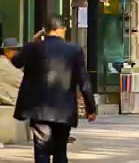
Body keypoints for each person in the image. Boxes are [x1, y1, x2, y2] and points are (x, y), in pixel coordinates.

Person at [11, 15, 96, 162]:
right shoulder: (74, 50)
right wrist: (91, 108)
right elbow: (84, 81)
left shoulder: (32, 48)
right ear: (61, 30)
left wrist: (32, 41)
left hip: (39, 109)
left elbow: (16, 62)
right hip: (64, 110)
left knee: (41, 150)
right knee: (60, 150)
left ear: (45, 31)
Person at [0, 38, 23, 106]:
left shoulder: (11, 63)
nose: (15, 52)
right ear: (5, 50)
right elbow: (20, 80)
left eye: (16, 50)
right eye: (12, 49)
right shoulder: (3, 63)